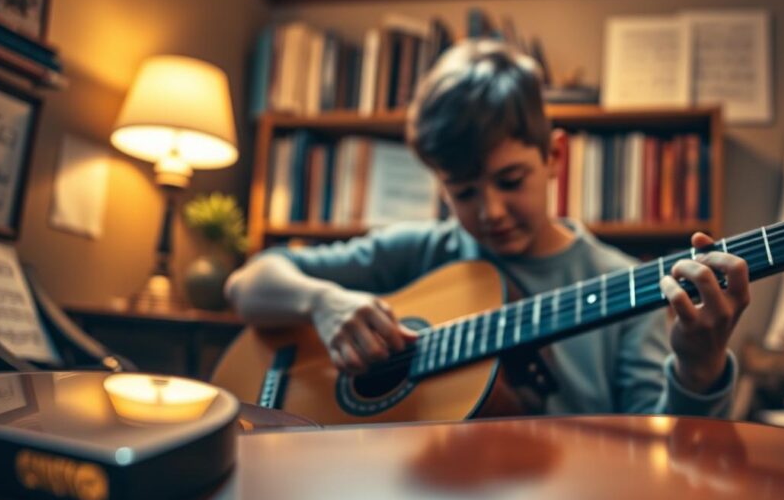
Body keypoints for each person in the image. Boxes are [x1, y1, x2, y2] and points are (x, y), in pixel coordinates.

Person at [225, 39, 750, 417]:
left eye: (510, 180)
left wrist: (699, 371)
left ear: (554, 157)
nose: (491, 211)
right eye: (464, 191)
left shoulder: (626, 282)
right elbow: (248, 282)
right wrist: (321, 303)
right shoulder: (422, 249)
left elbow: (661, 449)